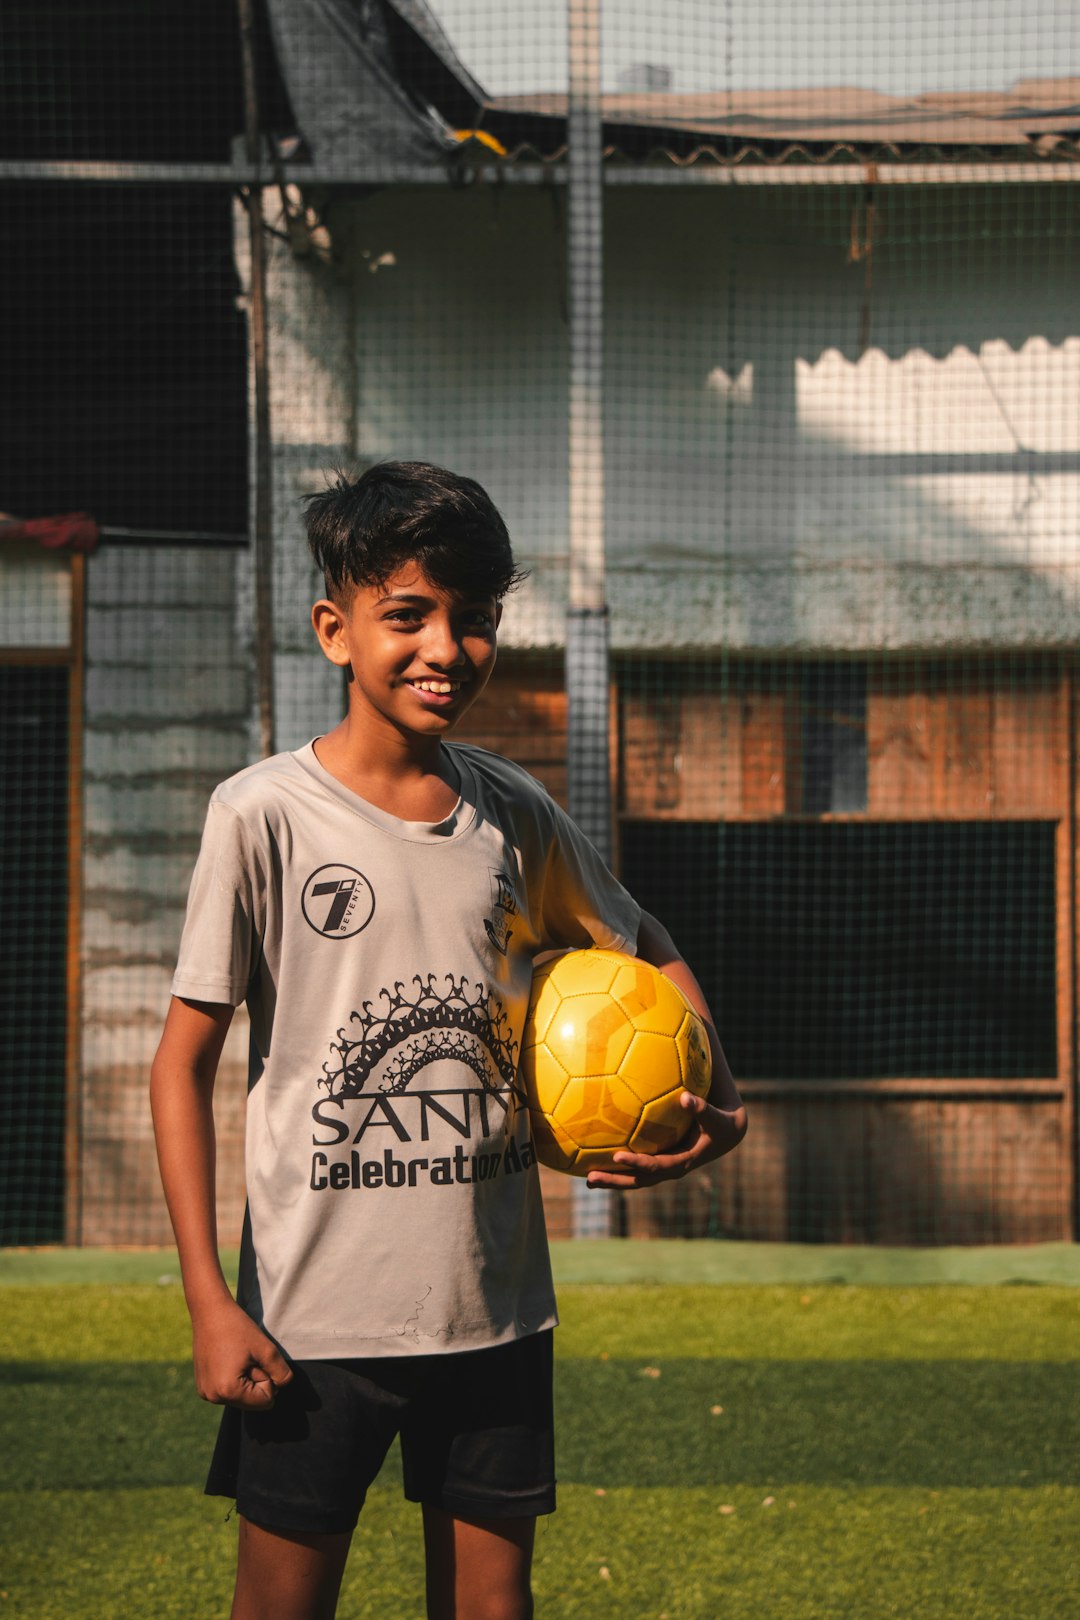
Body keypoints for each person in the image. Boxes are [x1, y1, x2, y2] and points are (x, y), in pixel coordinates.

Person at [150, 461, 747, 1620]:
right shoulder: (261, 813)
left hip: (494, 1310)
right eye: (409, 615)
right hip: (310, 1319)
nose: (446, 649)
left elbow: (643, 937)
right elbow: (182, 1064)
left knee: (492, 1607)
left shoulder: (513, 812)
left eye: (474, 621)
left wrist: (721, 1091)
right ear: (336, 630)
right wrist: (207, 1304)